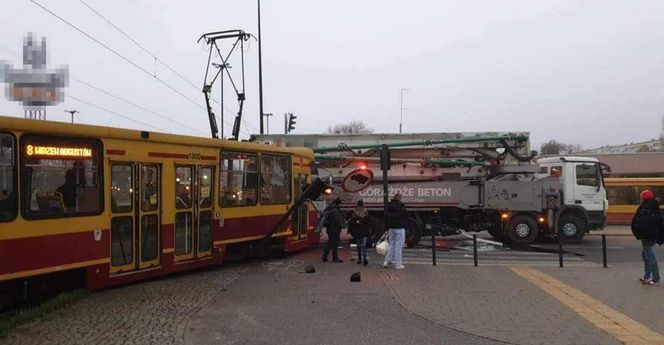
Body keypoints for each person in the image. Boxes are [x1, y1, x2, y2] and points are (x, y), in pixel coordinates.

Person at [631, 189, 664, 286]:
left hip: (646, 236)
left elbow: (637, 221)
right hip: (651, 235)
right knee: (645, 254)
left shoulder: (644, 208)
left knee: (649, 255)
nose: (640, 200)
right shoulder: (655, 207)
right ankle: (647, 275)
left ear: (644, 198)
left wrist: (638, 233)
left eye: (641, 198)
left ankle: (655, 278)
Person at [383, 193, 409, 269]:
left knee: (391, 245)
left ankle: (386, 261)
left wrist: (387, 227)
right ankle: (398, 264)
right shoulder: (401, 207)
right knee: (399, 247)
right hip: (400, 228)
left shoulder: (389, 206)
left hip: (391, 228)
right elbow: (406, 215)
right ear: (400, 198)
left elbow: (386, 217)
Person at [349, 199, 371, 266]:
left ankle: (359, 259)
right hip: (364, 231)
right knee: (364, 246)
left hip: (358, 231)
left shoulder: (354, 211)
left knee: (358, 245)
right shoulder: (365, 211)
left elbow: (352, 222)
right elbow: (368, 221)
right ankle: (364, 259)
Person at [322, 197, 344, 263]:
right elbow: (337, 221)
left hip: (330, 229)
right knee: (335, 244)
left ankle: (324, 256)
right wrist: (340, 226)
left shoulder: (330, 209)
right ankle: (335, 258)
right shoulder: (335, 210)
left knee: (330, 243)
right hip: (335, 229)